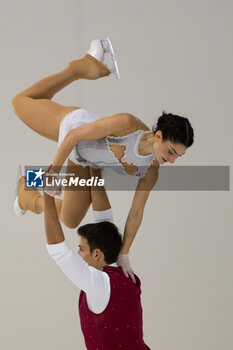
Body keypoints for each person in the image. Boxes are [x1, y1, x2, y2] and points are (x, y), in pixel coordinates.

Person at [12, 38, 194, 279]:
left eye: (178, 157)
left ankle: (27, 192)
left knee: (69, 218)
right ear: (158, 136)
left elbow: (136, 213)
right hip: (73, 129)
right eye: (171, 151)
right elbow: (75, 136)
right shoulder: (128, 124)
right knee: (20, 103)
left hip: (85, 163)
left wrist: (124, 253)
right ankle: (77, 69)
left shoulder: (151, 172)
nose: (171, 160)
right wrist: (53, 171)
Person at [43, 168, 151, 349]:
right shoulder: (119, 271)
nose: (77, 254)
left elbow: (59, 252)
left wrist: (48, 195)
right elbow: (105, 220)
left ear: (97, 254)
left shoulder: (100, 285)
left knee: (63, 211)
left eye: (81, 249)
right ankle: (28, 195)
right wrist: (94, 170)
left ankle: (29, 195)